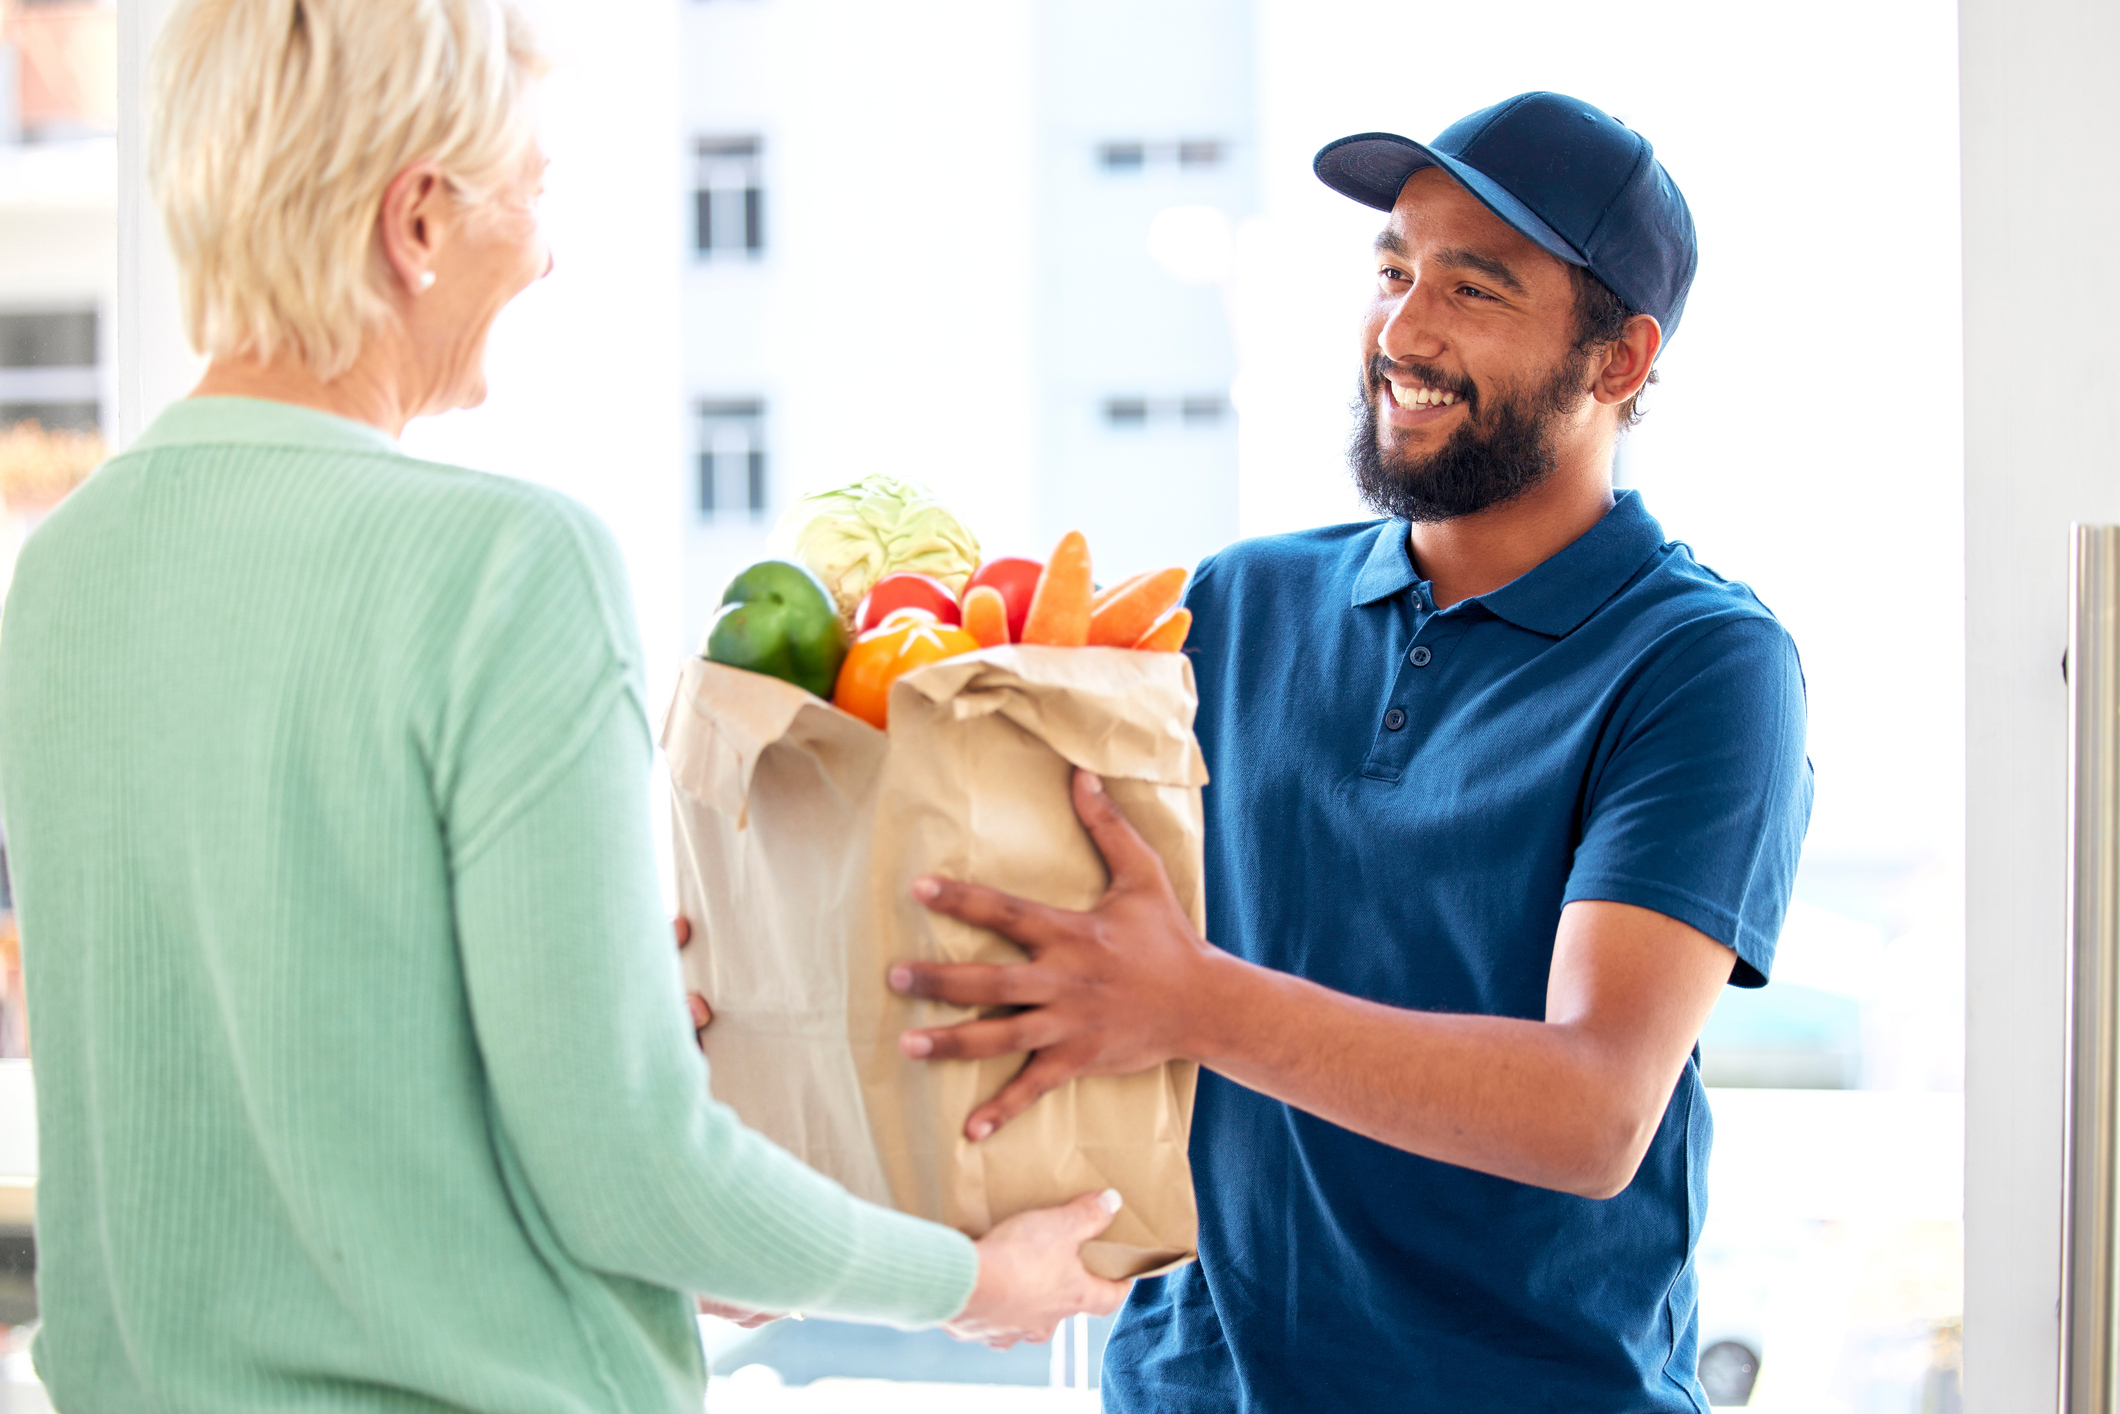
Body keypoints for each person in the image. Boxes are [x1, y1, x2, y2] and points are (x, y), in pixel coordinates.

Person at [0, 2, 1125, 1410]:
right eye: (528, 195)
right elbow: (634, 1174)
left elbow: (218, 1089)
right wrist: (974, 1278)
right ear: (416, 222)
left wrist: (566, 1027)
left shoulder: (65, 570)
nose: (546, 250)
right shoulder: (509, 565)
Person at [888, 92, 1812, 1411]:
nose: (1405, 328)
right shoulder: (1239, 603)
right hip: (1185, 1385)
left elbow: (1595, 1107)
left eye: (1473, 288)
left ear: (1619, 361)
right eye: (1392, 270)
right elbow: (1084, 963)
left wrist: (1193, 999)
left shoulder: (1700, 664)